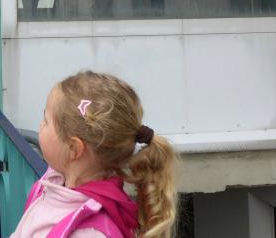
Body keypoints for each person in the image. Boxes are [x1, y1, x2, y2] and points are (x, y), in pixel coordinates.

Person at [11, 71, 176, 238]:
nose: (41, 125)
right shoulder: (54, 183)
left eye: (46, 121)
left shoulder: (88, 233)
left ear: (73, 148)